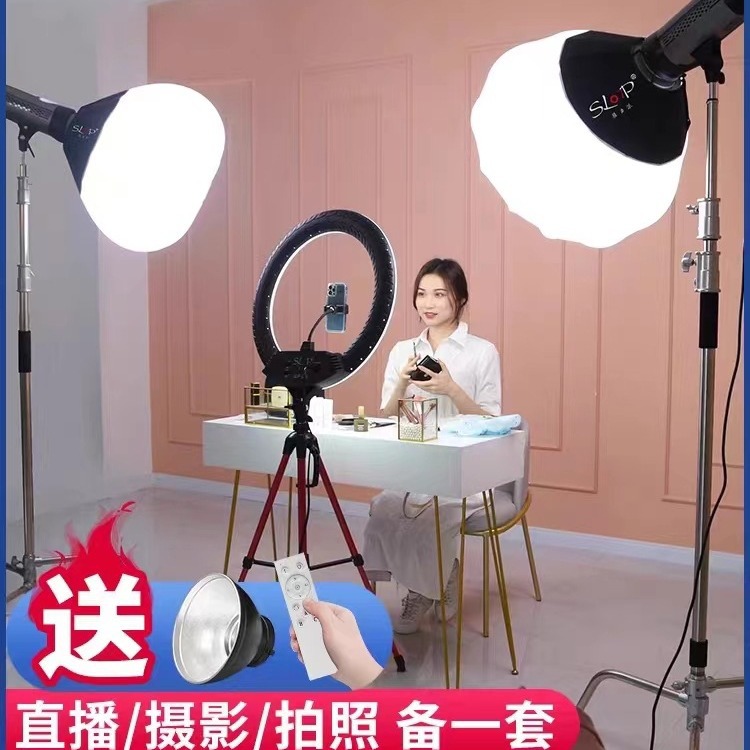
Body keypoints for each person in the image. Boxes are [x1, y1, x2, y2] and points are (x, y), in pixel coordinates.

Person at [362, 257, 503, 634]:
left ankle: (425, 590)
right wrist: (400, 382)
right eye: (422, 294)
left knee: (430, 518)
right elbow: (386, 415)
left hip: (465, 469)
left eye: (440, 294)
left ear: (460, 299)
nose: (428, 303)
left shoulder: (482, 352)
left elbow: (493, 422)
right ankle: (442, 577)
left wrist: (451, 389)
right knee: (385, 510)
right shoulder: (402, 350)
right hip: (414, 465)